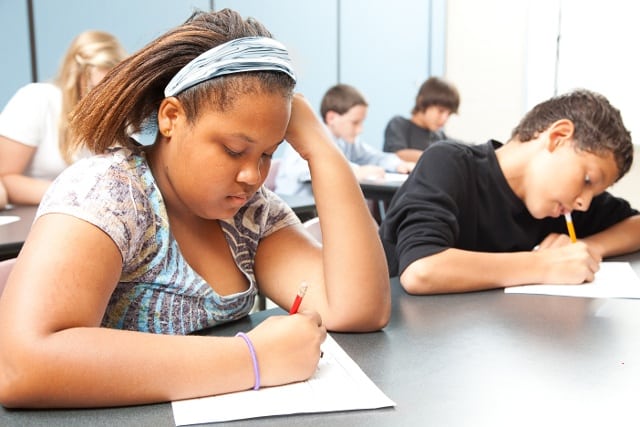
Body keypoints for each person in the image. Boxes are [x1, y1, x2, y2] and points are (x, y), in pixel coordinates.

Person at [0, 9, 390, 408]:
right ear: (172, 117)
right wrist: (252, 359)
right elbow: (21, 365)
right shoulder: (109, 194)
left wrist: (319, 147)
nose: (252, 175)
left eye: (268, 154)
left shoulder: (249, 215)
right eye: (234, 150)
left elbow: (356, 309)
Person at [379, 89, 640, 295]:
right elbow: (421, 269)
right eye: (587, 179)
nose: (584, 203)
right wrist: (546, 265)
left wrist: (589, 247)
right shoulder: (449, 163)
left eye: (594, 193)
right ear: (558, 137)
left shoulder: (563, 204)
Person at [0, 30, 126, 205]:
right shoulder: (36, 99)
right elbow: (5, 179)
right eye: (95, 89)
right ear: (75, 78)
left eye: (111, 89)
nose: (102, 99)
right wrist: (77, 193)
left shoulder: (119, 114)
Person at [276, 83, 414, 197]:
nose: (360, 130)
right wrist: (355, 171)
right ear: (332, 118)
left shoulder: (345, 141)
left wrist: (398, 164)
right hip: (299, 211)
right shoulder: (308, 137)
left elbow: (374, 157)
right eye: (355, 123)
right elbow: (306, 171)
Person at [383, 76, 460, 163]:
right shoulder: (399, 124)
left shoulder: (439, 136)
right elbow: (398, 155)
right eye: (441, 111)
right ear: (422, 102)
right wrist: (440, 157)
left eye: (449, 114)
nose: (445, 119)